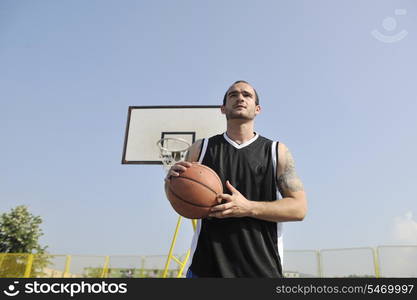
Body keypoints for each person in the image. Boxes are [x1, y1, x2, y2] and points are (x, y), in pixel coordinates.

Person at [165, 80, 307, 278]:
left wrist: (247, 207)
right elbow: (180, 198)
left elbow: (299, 209)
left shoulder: (276, 151)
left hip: (261, 271)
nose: (240, 97)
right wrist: (170, 182)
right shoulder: (200, 149)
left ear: (257, 109)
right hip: (206, 269)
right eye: (233, 95)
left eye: (247, 95)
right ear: (223, 108)